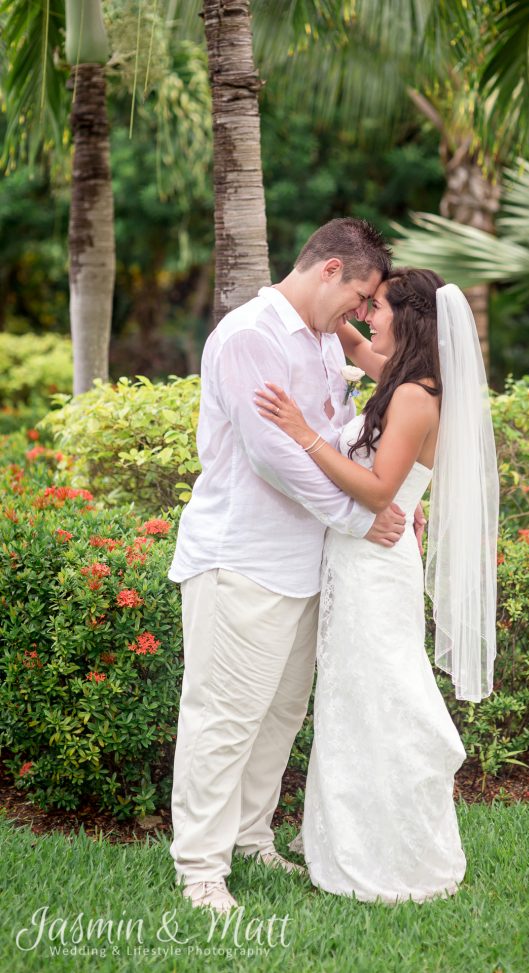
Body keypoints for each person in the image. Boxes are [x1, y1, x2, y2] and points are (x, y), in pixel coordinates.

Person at [167, 218, 421, 914]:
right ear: (332, 269)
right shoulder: (251, 337)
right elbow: (270, 454)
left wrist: (388, 493)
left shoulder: (317, 338)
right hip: (240, 558)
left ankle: (251, 839)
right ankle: (200, 868)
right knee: (223, 717)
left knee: (278, 716)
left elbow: (337, 436)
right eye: (363, 298)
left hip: (304, 565)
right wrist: (358, 517)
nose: (365, 316)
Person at [254, 267, 499, 903]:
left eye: (379, 307)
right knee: (349, 697)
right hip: (356, 563)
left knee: (380, 695)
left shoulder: (417, 394)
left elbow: (378, 490)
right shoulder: (399, 375)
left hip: (376, 567)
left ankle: (393, 855)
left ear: (411, 318)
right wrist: (303, 301)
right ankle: (348, 838)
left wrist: (302, 432)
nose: (369, 317)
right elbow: (351, 340)